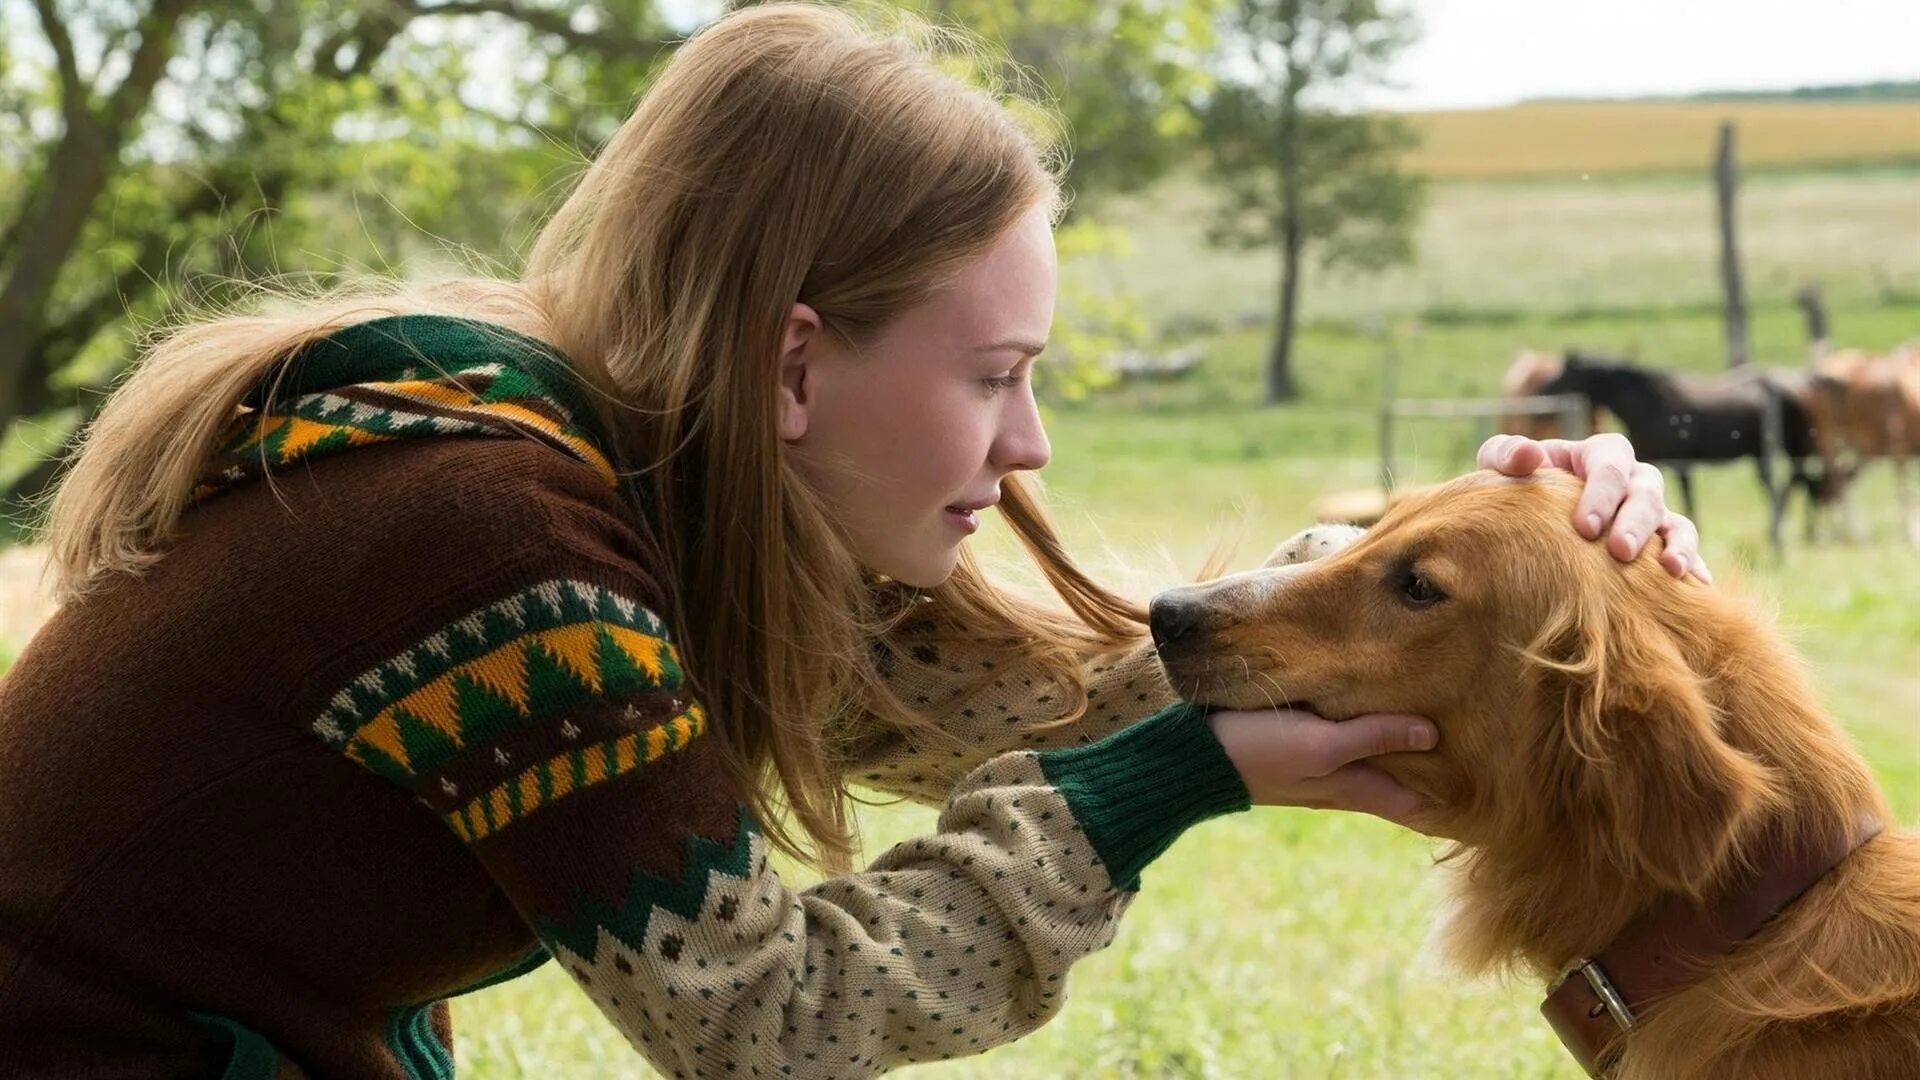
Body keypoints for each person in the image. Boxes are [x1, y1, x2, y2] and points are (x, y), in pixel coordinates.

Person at [0, 4, 1704, 1076]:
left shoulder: (634, 476)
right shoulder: (501, 552)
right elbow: (771, 1022)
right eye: (995, 379)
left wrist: (1454, 549)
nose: (1027, 444)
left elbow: (1026, 702)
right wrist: (1187, 771)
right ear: (798, 361)